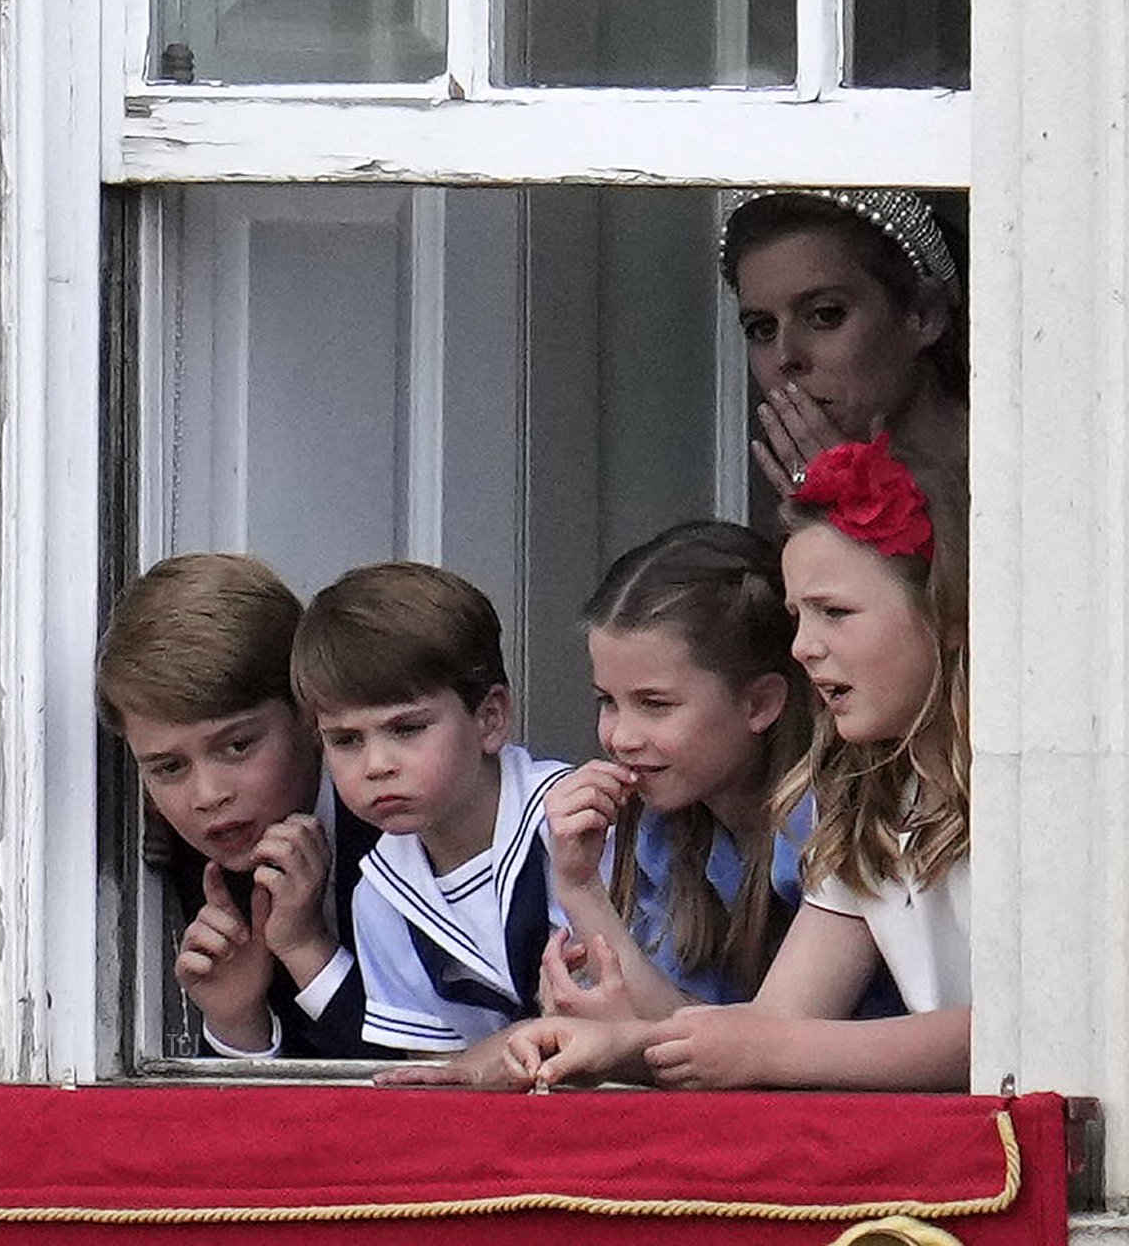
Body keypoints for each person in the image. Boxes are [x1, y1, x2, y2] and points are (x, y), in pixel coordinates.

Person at [503, 434, 970, 1091]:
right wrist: (611, 1042)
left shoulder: (1021, 793)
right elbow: (766, 1032)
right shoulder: (873, 799)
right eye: (797, 618)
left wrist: (659, 1042)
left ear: (947, 613)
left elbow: (1020, 1031)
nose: (805, 647)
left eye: (835, 613)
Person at [95, 553, 380, 1059]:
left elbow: (435, 1078)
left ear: (310, 717)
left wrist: (306, 947)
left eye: (237, 746)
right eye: (168, 768)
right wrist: (236, 1021)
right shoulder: (201, 860)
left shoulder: (403, 819)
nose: (208, 795)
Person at [289, 561, 571, 1055]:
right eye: (346, 739)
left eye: (407, 729)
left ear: (490, 718)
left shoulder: (573, 819)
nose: (376, 765)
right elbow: (437, 1075)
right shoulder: (379, 896)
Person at [538, 520, 811, 1023]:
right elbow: (678, 1025)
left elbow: (719, 1049)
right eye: (607, 701)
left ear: (760, 703)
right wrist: (579, 888)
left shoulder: (819, 824)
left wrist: (584, 898)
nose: (621, 737)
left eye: (654, 704)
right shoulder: (666, 829)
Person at [719, 186, 966, 499]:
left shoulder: (1025, 468)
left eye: (825, 315)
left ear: (923, 315)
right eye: (762, 328)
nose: (786, 356)